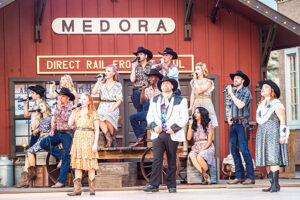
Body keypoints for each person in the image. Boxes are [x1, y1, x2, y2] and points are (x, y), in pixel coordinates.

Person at [143, 76, 188, 193]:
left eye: (168, 83)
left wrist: (174, 128)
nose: (165, 85)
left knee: (172, 159)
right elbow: (149, 116)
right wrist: (153, 126)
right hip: (158, 133)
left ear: (172, 86)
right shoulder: (154, 99)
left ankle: (171, 185)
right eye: (163, 84)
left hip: (172, 133)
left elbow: (184, 118)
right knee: (157, 159)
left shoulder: (180, 100)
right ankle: (154, 185)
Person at [255, 80, 289, 193]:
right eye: (262, 87)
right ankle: (272, 184)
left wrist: (283, 135)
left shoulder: (276, 104)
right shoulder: (261, 105)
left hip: (273, 133)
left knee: (273, 159)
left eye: (266, 87)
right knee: (266, 159)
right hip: (262, 133)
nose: (262, 89)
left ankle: (276, 184)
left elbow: (283, 120)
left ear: (272, 91)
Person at [40, 87, 76, 188]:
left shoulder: (71, 108)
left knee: (66, 156)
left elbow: (67, 119)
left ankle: (61, 181)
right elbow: (55, 120)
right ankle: (61, 157)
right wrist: (52, 130)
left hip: (68, 134)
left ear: (68, 98)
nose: (61, 98)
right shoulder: (58, 107)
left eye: (63, 96)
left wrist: (59, 108)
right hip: (58, 133)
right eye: (60, 96)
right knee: (44, 143)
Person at [67, 93, 100, 196]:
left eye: (84, 99)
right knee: (77, 165)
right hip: (78, 136)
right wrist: (72, 111)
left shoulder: (93, 112)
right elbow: (69, 123)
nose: (82, 100)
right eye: (81, 99)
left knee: (90, 164)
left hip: (89, 136)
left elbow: (97, 130)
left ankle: (92, 188)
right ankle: (77, 189)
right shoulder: (76, 111)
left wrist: (95, 144)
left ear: (89, 101)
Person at [226, 70, 255, 185]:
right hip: (233, 124)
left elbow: (240, 105)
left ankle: (251, 177)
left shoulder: (246, 92)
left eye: (238, 78)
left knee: (244, 150)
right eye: (234, 78)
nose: (235, 80)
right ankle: (240, 176)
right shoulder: (234, 92)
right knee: (233, 151)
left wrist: (231, 93)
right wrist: (229, 117)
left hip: (242, 124)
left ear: (243, 81)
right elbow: (232, 106)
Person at [16, 100, 52, 188]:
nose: (40, 108)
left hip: (47, 140)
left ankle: (31, 174)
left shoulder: (51, 117)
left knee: (29, 152)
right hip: (40, 139)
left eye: (42, 106)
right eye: (39, 106)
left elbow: (53, 129)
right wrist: (35, 116)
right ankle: (26, 180)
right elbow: (33, 128)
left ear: (46, 107)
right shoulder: (41, 119)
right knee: (27, 155)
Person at [129, 69, 163, 147]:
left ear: (157, 78)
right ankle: (141, 137)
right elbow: (142, 102)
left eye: (151, 77)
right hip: (150, 113)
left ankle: (143, 137)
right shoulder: (148, 89)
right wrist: (143, 90)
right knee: (132, 117)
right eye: (149, 77)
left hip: (161, 113)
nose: (149, 79)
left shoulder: (162, 88)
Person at [92, 64, 123, 147]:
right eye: (105, 71)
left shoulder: (117, 85)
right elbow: (94, 92)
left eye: (108, 71)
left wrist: (113, 108)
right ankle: (109, 138)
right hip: (102, 105)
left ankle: (112, 136)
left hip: (113, 105)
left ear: (113, 73)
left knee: (107, 116)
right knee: (98, 117)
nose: (106, 73)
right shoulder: (102, 84)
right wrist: (98, 81)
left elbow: (119, 100)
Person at [187, 107, 215, 185]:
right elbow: (188, 138)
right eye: (195, 112)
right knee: (192, 155)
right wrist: (190, 125)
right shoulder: (193, 125)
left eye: (198, 112)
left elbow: (210, 141)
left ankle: (206, 174)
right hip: (196, 146)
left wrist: (202, 149)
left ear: (202, 114)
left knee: (199, 156)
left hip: (207, 146)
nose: (195, 114)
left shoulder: (208, 124)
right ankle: (206, 175)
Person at [188, 62, 218, 128]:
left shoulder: (208, 82)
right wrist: (191, 106)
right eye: (195, 69)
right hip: (197, 102)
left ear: (203, 71)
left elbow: (200, 90)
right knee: (197, 123)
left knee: (207, 123)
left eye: (198, 69)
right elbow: (192, 94)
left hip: (205, 102)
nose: (196, 71)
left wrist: (195, 79)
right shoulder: (193, 82)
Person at [130, 46, 153, 112]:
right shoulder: (136, 67)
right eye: (138, 54)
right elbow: (132, 80)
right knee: (139, 111)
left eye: (141, 54)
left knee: (147, 111)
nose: (139, 56)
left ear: (146, 56)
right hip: (137, 91)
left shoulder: (152, 66)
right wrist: (133, 68)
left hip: (148, 91)